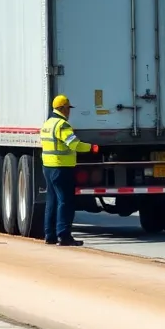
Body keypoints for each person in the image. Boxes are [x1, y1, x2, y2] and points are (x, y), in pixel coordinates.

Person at [40, 95, 97, 246]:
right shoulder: (62, 125)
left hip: (48, 167)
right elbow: (74, 144)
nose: (69, 112)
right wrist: (91, 147)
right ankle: (64, 236)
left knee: (51, 201)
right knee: (65, 201)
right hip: (61, 167)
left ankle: (49, 235)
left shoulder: (47, 124)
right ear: (63, 109)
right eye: (68, 108)